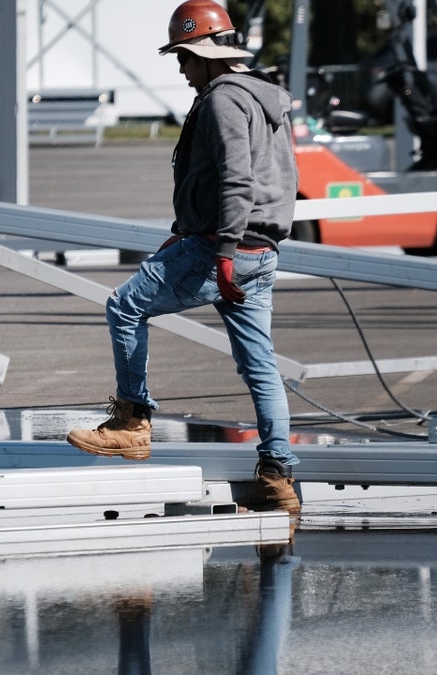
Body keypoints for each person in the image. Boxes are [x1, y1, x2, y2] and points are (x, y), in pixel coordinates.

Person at [65, 0, 301, 514]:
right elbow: (278, 183)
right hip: (261, 252)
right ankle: (278, 476)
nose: (180, 68)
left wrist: (220, 250)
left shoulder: (222, 99)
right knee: (261, 367)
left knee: (125, 306)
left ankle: (132, 423)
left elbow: (237, 179)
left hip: (224, 247)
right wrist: (197, 234)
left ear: (205, 55)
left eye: (184, 57)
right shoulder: (270, 99)